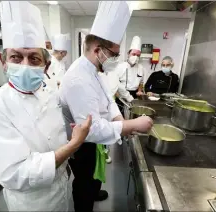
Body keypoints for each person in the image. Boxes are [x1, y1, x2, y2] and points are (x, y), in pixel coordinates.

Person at [0, 2, 92, 211]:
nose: (25, 65)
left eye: (34, 58)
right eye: (16, 57)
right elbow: (17, 174)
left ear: (45, 66)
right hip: (33, 202)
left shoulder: (48, 93)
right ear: (3, 61)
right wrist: (73, 145)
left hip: (62, 189)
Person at [59, 2, 153, 212]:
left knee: (94, 173)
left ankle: (94, 190)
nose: (116, 59)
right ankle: (85, 204)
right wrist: (130, 125)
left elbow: (109, 100)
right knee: (84, 178)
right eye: (114, 53)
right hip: (80, 142)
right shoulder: (78, 79)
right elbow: (90, 130)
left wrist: (121, 121)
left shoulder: (95, 70)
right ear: (97, 50)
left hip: (93, 138)